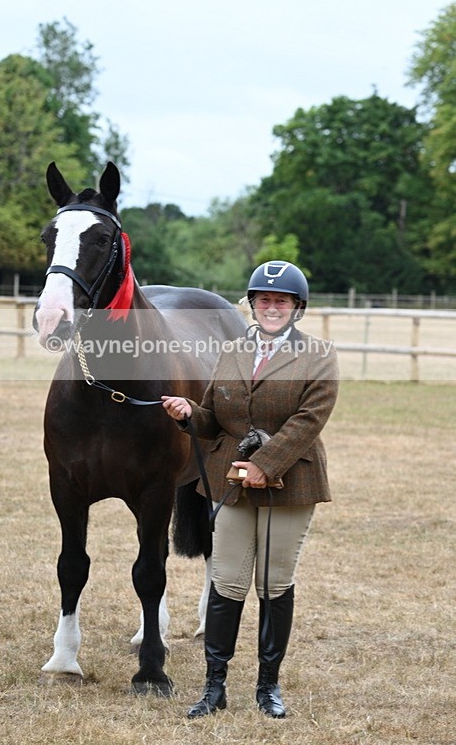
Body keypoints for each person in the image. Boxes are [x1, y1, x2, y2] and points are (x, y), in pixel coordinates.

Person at [162, 260, 339, 720]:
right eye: (264, 300)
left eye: (281, 301)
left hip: (291, 482)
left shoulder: (318, 354)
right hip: (229, 482)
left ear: (297, 307)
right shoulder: (232, 349)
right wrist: (188, 414)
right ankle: (213, 686)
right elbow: (214, 418)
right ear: (252, 304)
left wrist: (264, 465)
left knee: (274, 582)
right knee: (227, 581)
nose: (272, 307)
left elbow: (308, 421)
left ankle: (268, 687)